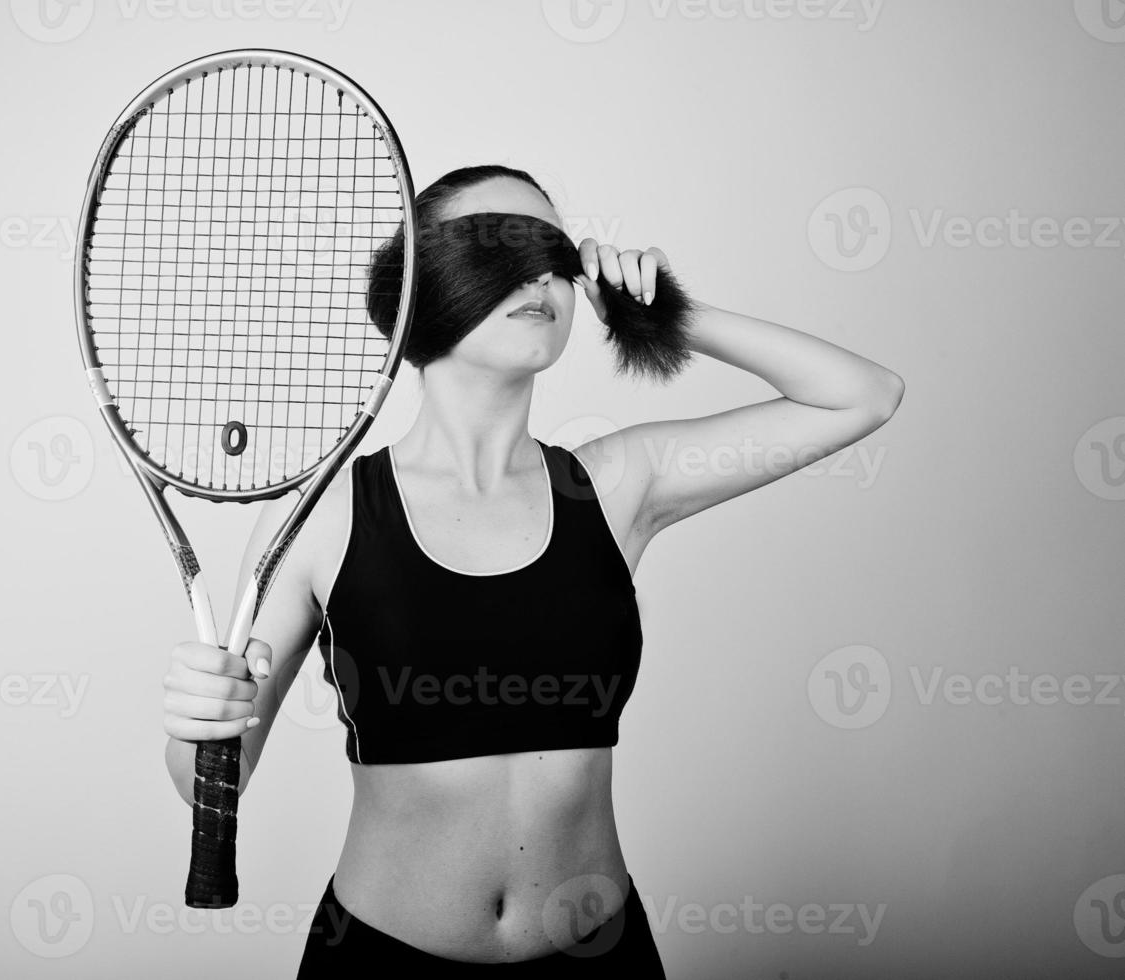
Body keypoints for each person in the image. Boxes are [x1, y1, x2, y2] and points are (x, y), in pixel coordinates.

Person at [161, 164, 905, 976]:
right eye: (497, 250)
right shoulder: (324, 514)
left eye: (555, 254)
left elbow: (862, 395)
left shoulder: (618, 486)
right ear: (419, 286)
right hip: (381, 959)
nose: (541, 277)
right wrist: (200, 719)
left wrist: (666, 318)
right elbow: (209, 783)